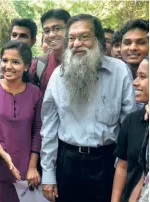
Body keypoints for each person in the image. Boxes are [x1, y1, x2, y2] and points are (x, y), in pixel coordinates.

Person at [40, 14, 137, 202]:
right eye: (72, 38)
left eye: (84, 37)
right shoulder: (57, 77)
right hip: (67, 163)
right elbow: (49, 130)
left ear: (98, 40)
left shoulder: (119, 72)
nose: (77, 43)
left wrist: (122, 170)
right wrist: (48, 175)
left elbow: (129, 127)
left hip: (107, 163)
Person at [0, 40, 42, 202]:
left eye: (15, 62)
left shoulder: (35, 93)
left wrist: (32, 167)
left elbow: (38, 131)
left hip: (23, 171)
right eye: (5, 60)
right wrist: (4, 156)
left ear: (27, 66)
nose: (8, 66)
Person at [112, 57, 149, 202]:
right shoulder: (132, 120)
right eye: (136, 76)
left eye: (143, 77)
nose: (135, 82)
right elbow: (122, 165)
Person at [29, 9, 71, 94]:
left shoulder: (84, 60)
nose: (51, 35)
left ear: (69, 29)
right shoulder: (37, 66)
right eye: (47, 31)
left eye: (57, 28)